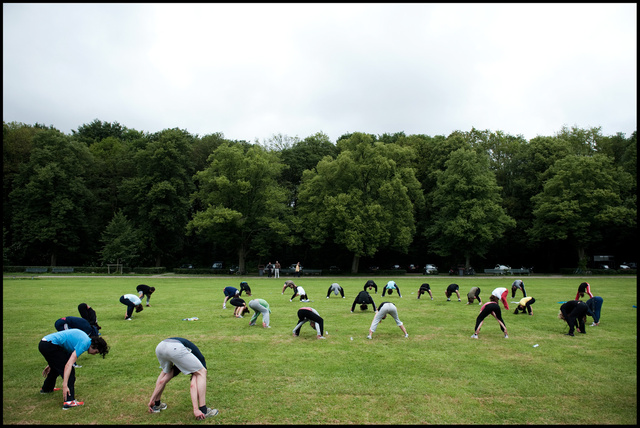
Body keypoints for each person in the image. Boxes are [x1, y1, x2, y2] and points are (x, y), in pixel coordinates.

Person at [148, 337, 218, 420]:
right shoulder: (200, 362)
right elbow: (193, 386)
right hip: (175, 349)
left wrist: (151, 399)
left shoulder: (181, 363)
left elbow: (162, 381)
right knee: (202, 372)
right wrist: (195, 409)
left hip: (161, 346)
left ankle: (156, 404)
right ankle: (204, 410)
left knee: (165, 372)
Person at [38, 328, 109, 409]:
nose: (94, 354)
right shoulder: (84, 343)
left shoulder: (85, 339)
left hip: (45, 343)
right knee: (70, 372)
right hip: (49, 345)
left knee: (57, 368)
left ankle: (47, 388)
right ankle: (69, 401)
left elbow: (64, 350)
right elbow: (68, 365)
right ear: (94, 346)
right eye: (96, 352)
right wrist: (65, 384)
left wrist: (52, 363)